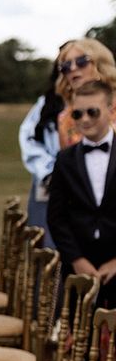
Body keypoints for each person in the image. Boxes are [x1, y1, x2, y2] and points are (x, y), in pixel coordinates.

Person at [48, 80, 116, 306]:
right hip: (77, 268)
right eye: (77, 114)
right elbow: (56, 217)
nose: (85, 119)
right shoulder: (64, 160)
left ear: (110, 109)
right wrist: (77, 260)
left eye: (93, 112)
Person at [18, 63, 64, 248]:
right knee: (45, 247)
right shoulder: (46, 103)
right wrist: (49, 172)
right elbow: (28, 138)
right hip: (47, 184)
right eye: (65, 65)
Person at [54, 37, 116, 150]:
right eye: (66, 66)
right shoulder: (65, 119)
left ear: (100, 64)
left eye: (81, 61)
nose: (73, 68)